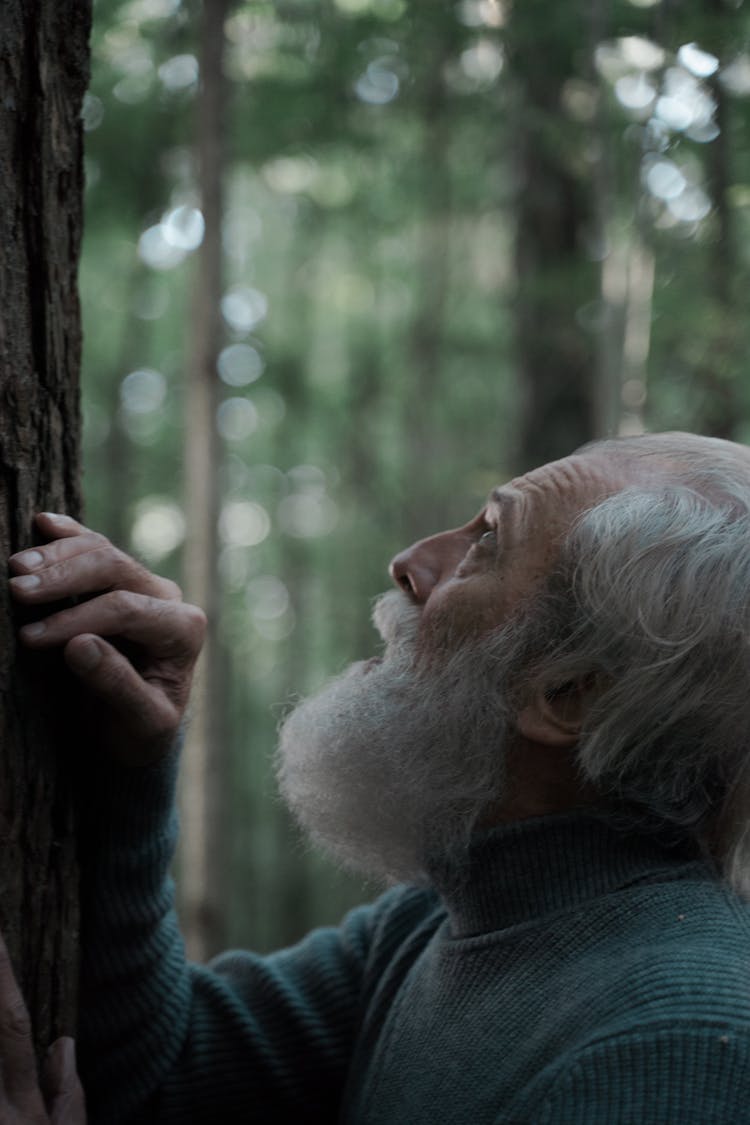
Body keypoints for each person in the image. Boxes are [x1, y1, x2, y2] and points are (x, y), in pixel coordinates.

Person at [6, 430, 750, 1124]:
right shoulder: (439, 918)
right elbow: (164, 1077)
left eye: (488, 539)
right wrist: (130, 770)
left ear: (570, 693)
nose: (412, 560)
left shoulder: (676, 1040)